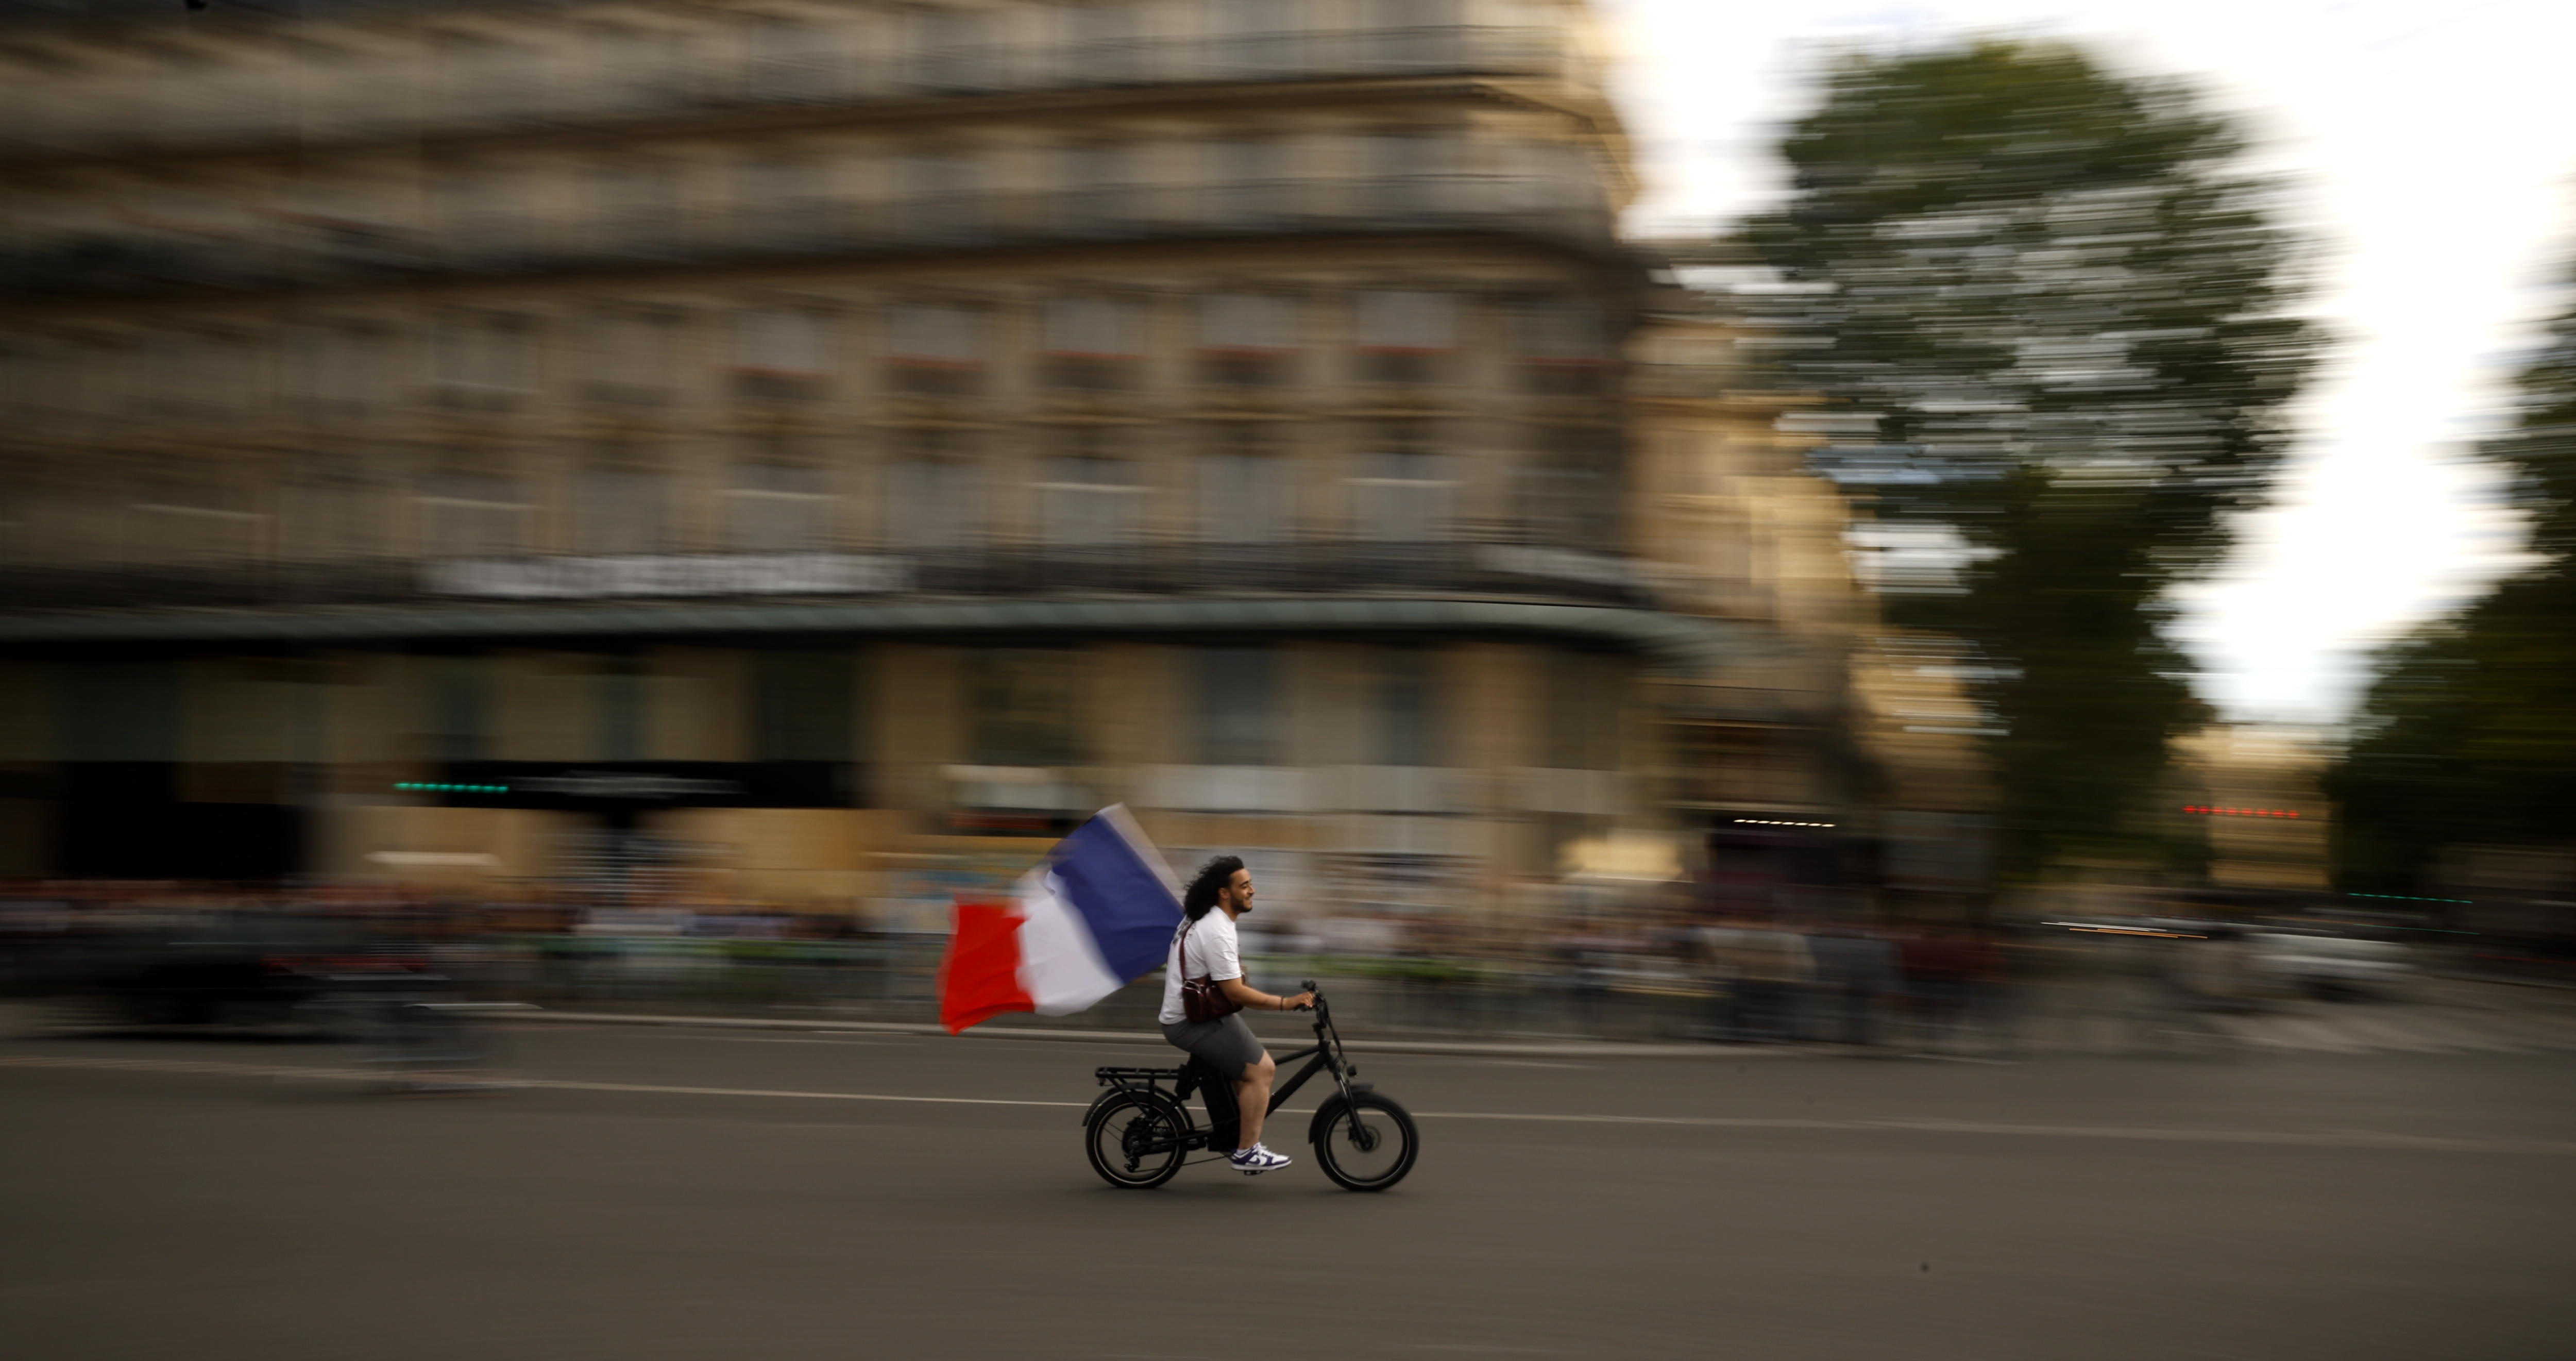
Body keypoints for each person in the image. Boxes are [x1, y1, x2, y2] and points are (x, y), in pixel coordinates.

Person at [1160, 855, 1315, 1175]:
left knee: (1244, 1070)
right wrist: (1288, 1003)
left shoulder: (1204, 917)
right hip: (1190, 1021)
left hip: (1199, 1012)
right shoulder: (1216, 929)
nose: (1252, 891)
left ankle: (1233, 1135)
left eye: (1251, 884)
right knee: (1262, 1071)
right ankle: (1246, 1152)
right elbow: (1236, 994)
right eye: (1244, 886)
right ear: (1224, 893)